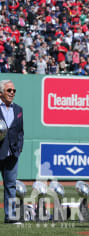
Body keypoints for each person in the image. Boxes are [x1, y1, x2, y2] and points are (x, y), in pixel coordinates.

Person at [0, 80, 24, 224]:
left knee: (10, 186)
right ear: (1, 93)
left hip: (12, 154)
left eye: (14, 91)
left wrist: (18, 148)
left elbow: (20, 131)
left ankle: (10, 216)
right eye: (9, 90)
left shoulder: (18, 109)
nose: (12, 93)